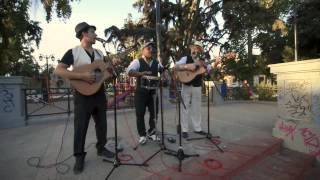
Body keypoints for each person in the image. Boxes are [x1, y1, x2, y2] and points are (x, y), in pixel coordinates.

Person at [54, 22, 115, 174]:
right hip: (82, 95)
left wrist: (111, 70)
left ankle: (101, 148)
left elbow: (105, 76)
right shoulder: (73, 52)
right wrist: (82, 76)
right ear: (84, 34)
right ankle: (79, 157)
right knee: (80, 127)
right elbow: (59, 70)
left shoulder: (100, 53)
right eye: (93, 32)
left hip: (99, 93)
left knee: (102, 125)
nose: (96, 35)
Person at [126, 42, 163, 145]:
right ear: (143, 50)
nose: (151, 50)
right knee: (140, 114)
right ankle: (142, 135)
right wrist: (141, 73)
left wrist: (165, 75)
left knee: (154, 113)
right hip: (141, 93)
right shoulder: (137, 61)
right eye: (148, 48)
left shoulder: (156, 62)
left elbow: (163, 70)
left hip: (153, 93)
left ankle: (152, 132)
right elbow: (129, 71)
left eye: (152, 48)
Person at [174, 41, 211, 138]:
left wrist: (207, 68)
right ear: (191, 48)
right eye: (194, 47)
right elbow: (175, 66)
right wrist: (187, 66)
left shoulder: (203, 60)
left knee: (196, 108)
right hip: (186, 84)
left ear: (200, 50)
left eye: (197, 48)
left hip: (197, 86)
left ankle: (197, 128)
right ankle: (184, 129)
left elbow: (209, 70)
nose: (195, 49)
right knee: (185, 107)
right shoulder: (186, 58)